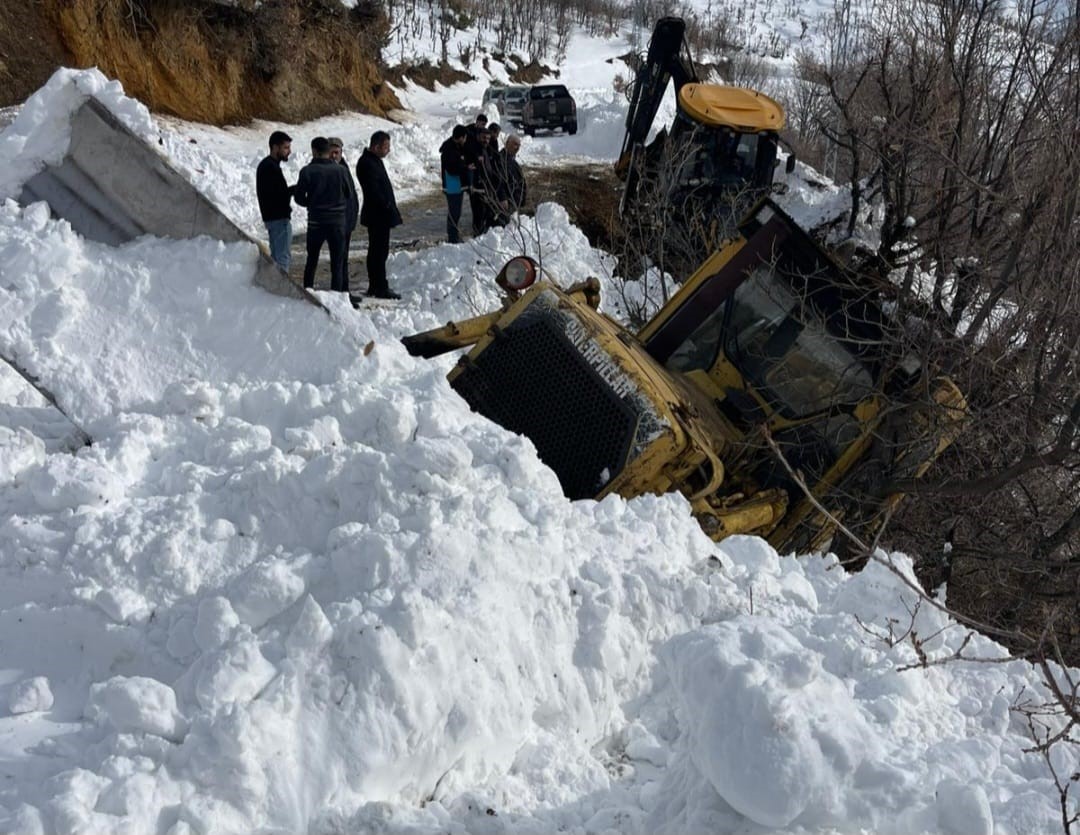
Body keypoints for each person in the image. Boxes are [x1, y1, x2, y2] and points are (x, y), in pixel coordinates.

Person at [293, 136, 350, 292]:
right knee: (337, 263)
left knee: (311, 261)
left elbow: (298, 197)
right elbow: (349, 194)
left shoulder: (307, 171)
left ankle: (308, 292)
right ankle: (337, 296)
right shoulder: (341, 170)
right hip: (337, 222)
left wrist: (311, 204)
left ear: (314, 151)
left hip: (316, 223)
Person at [355, 130, 403, 300]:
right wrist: (387, 205)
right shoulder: (367, 163)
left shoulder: (374, 160)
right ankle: (379, 287)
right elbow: (374, 192)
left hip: (381, 214)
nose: (388, 150)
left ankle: (377, 284)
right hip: (377, 215)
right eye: (385, 147)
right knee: (377, 252)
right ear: (376, 146)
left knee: (379, 251)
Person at [256, 130, 294, 272]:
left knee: (278, 258)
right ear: (275, 147)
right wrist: (293, 190)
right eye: (286, 148)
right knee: (282, 261)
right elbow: (277, 196)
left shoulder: (268, 165)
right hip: (279, 219)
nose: (289, 151)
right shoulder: (270, 167)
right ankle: (281, 292)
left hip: (273, 219)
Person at [328, 137, 360, 293]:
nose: (334, 156)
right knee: (338, 260)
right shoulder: (328, 170)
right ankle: (339, 293)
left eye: (336, 152)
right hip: (336, 223)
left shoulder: (344, 167)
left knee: (343, 259)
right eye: (331, 152)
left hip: (346, 221)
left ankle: (345, 292)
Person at [439, 125, 472, 243]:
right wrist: (466, 167)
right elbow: (452, 168)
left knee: (456, 212)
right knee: (454, 213)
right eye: (465, 138)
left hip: (456, 185)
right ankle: (452, 238)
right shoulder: (450, 150)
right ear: (461, 137)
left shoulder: (455, 147)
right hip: (452, 186)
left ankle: (454, 235)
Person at [492, 133, 526, 227]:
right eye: (515, 144)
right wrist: (502, 197)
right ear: (507, 144)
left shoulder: (511, 159)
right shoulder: (501, 159)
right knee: (503, 226)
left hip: (514, 199)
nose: (517, 147)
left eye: (519, 145)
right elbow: (498, 179)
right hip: (506, 200)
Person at [469, 128, 498, 236]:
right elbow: (471, 169)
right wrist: (473, 185)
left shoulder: (485, 149)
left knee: (486, 214)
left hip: (486, 189)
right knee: (479, 216)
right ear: (478, 136)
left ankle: (482, 237)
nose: (486, 140)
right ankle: (478, 238)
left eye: (488, 138)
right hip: (478, 189)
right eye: (484, 138)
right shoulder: (474, 150)